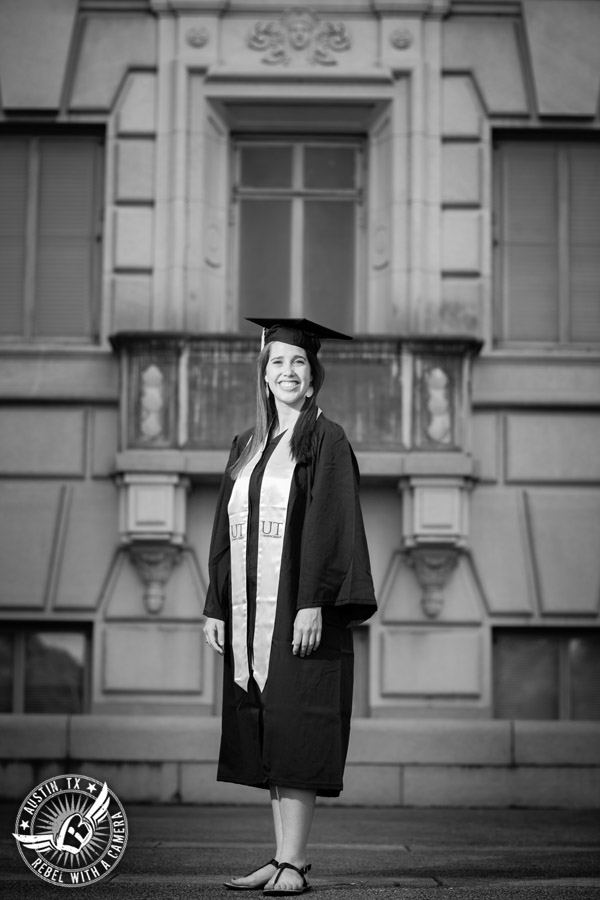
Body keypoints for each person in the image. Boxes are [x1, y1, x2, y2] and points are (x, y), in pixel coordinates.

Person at [203, 318, 377, 895]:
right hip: (251, 614)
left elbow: (333, 526)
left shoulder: (326, 440)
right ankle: (281, 857)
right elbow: (226, 532)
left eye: (298, 363)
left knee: (298, 726)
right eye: (277, 362)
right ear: (263, 371)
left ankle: (295, 864)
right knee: (273, 727)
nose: (287, 373)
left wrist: (314, 604)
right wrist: (216, 605)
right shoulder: (248, 445)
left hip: (297, 615)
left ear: (313, 372)